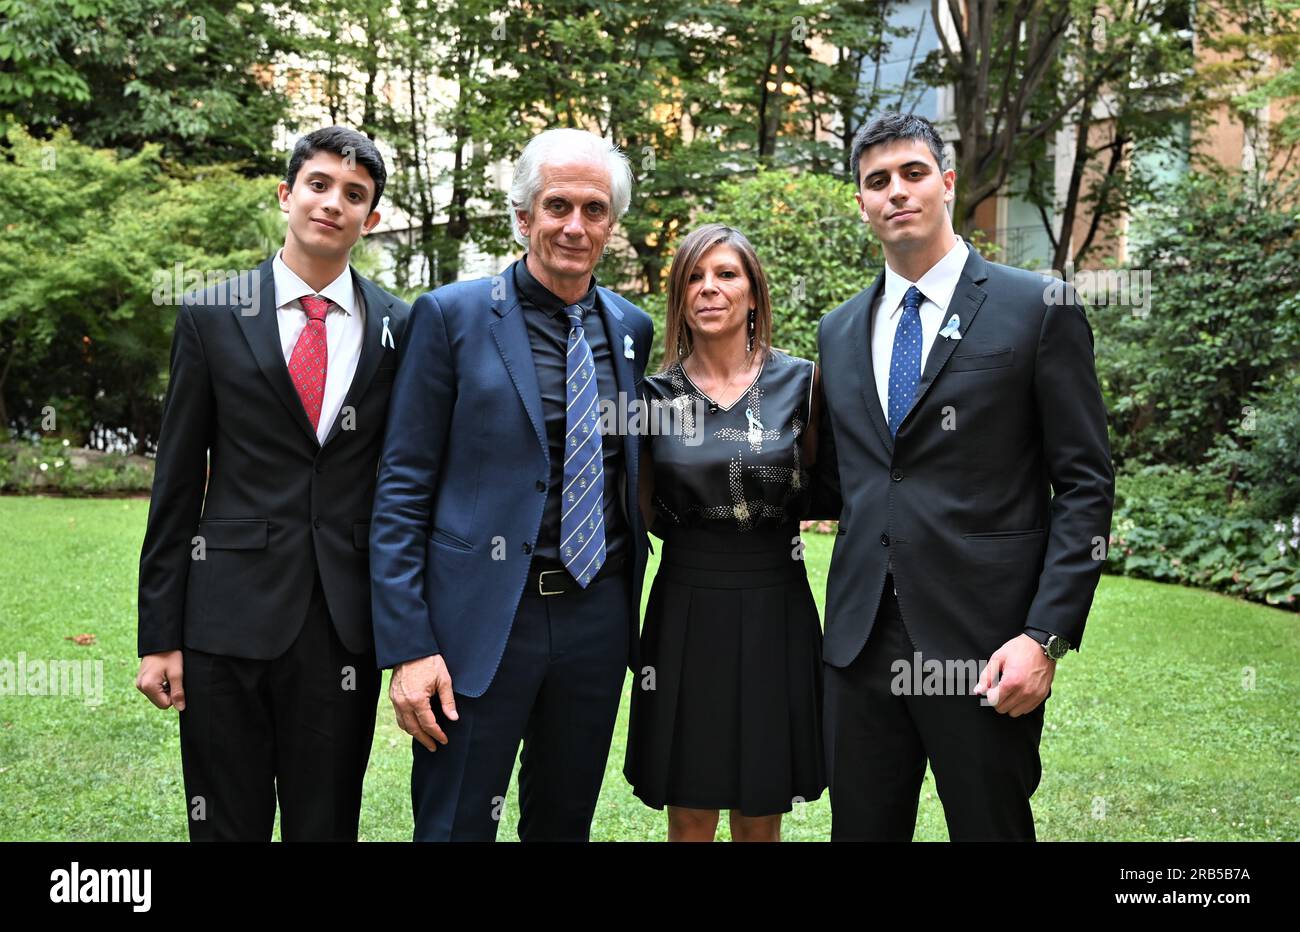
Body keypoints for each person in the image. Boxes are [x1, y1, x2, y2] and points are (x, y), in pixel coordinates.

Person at [815, 112, 1115, 841]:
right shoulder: (839, 332)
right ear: (861, 201)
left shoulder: (1036, 307)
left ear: (947, 182)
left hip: (986, 645)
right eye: (876, 181)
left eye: (913, 174)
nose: (896, 193)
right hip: (860, 646)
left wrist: (1044, 636)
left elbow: (1084, 483)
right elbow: (840, 483)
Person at [369, 128, 654, 842]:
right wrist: (409, 647)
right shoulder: (451, 317)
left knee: (563, 825)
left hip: (597, 619)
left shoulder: (630, 328)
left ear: (611, 225)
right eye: (558, 205)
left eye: (595, 209)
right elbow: (402, 486)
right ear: (523, 216)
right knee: (457, 823)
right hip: (479, 624)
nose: (575, 225)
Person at [135, 126, 409, 841]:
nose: (333, 204)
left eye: (354, 195)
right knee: (227, 824)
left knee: (326, 825)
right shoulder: (211, 315)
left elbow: (405, 478)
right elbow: (174, 486)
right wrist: (159, 637)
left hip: (341, 626)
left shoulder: (401, 328)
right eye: (318, 185)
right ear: (287, 194)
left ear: (370, 219)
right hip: (223, 615)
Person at [623, 224, 827, 842]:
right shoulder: (652, 397)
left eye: (726, 274)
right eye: (694, 276)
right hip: (685, 600)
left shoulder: (803, 383)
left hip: (775, 598)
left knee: (761, 798)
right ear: (680, 296)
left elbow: (825, 485)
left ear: (754, 293)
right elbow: (640, 505)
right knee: (689, 801)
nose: (709, 288)